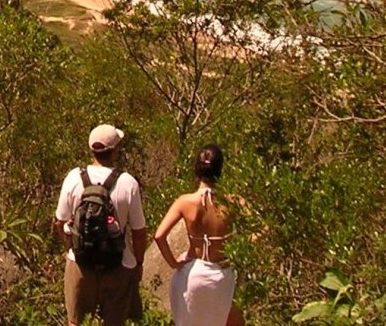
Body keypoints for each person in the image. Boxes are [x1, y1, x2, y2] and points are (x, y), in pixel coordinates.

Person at [54, 123, 147, 326]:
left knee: (74, 322)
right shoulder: (127, 183)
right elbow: (139, 231)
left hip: (80, 261)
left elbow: (60, 222)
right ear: (115, 150)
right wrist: (139, 263)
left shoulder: (73, 178)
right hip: (118, 264)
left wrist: (70, 247)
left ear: (91, 150)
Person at [153, 144, 247, 326]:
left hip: (192, 273)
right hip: (221, 274)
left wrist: (174, 263)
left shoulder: (185, 202)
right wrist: (242, 248)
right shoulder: (233, 201)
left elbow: (159, 236)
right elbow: (264, 227)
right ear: (220, 169)